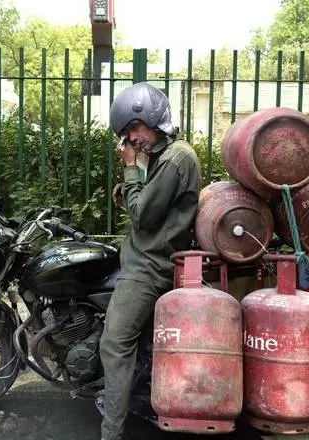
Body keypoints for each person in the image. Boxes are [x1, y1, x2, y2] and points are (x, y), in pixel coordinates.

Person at [99, 82, 202, 440]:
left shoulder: (176, 159)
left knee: (114, 344)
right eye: (126, 133)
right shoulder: (163, 158)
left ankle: (111, 433)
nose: (131, 139)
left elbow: (143, 216)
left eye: (134, 128)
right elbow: (148, 204)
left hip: (149, 266)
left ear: (155, 118)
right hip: (142, 258)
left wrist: (130, 170)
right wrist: (132, 180)